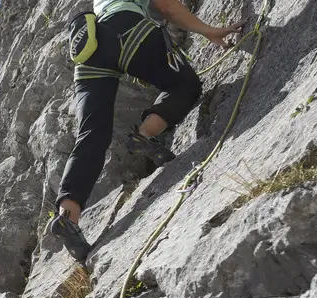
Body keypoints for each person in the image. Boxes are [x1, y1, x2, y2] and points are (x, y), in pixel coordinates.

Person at [48, 0, 244, 262]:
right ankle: (144, 136)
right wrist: (208, 30)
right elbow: (167, 7)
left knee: (91, 134)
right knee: (184, 85)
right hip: (125, 29)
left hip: (89, 47)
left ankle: (67, 218)